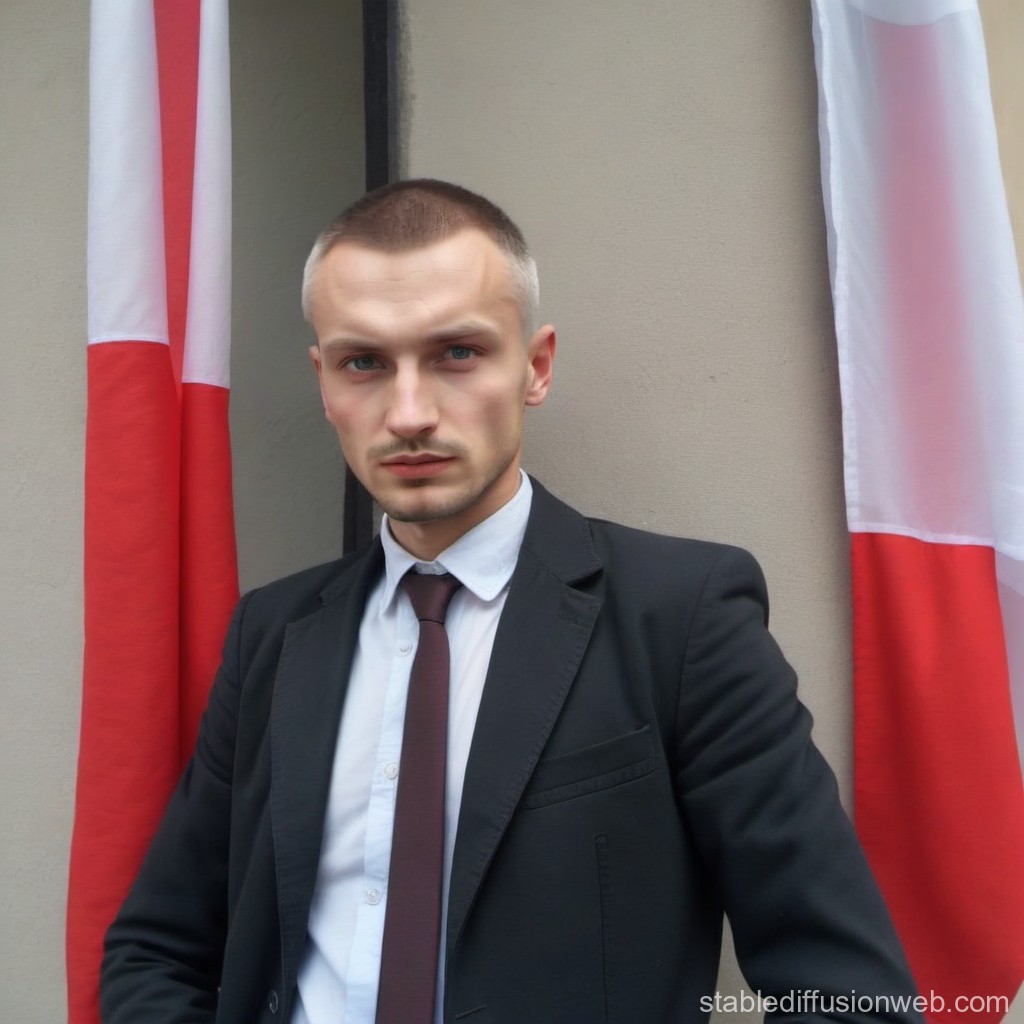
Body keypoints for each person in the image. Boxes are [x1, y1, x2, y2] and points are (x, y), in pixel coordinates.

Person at [101, 179, 922, 1023]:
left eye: (457, 353)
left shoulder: (681, 619)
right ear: (324, 382)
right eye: (364, 363)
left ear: (535, 367)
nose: (409, 413)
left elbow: (854, 994)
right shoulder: (274, 634)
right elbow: (156, 949)